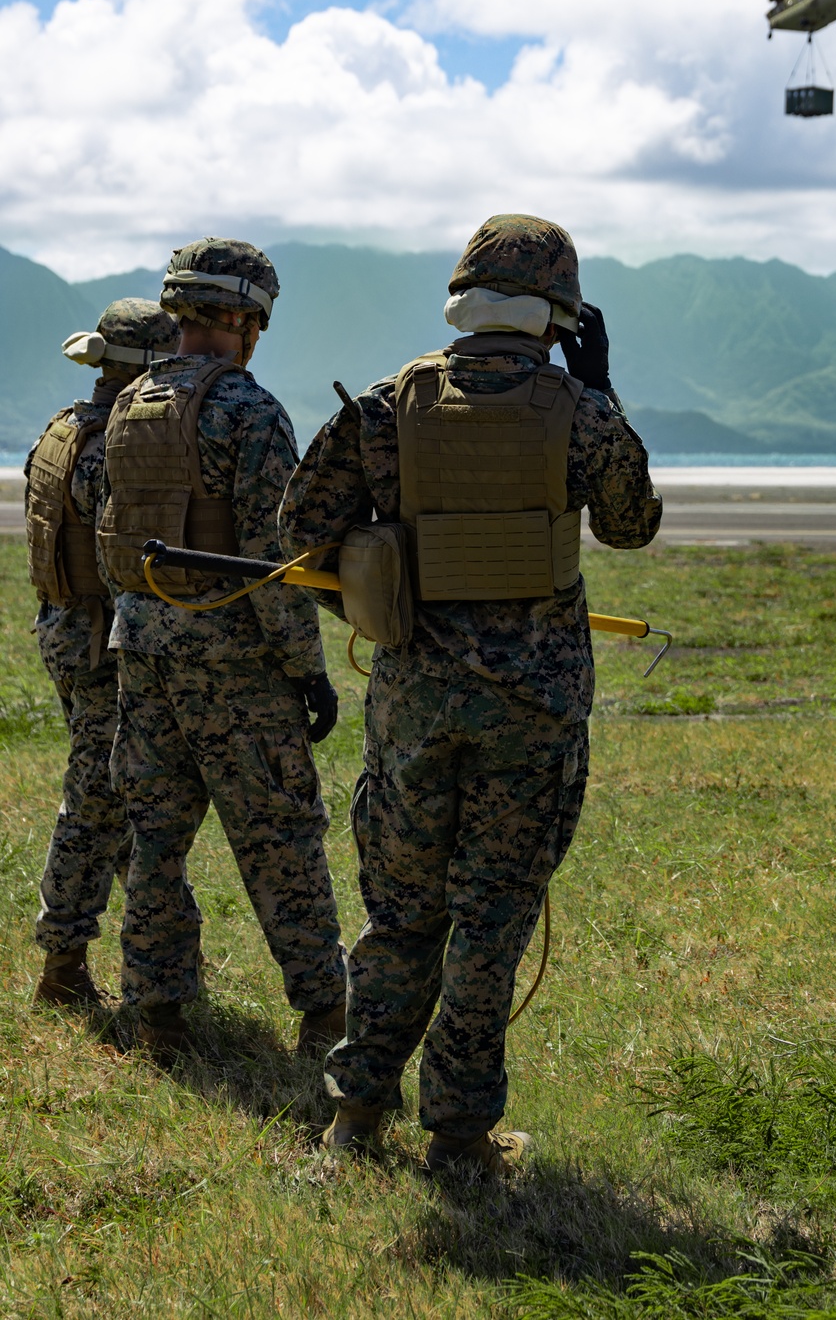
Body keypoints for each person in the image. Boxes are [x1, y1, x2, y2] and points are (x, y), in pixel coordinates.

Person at [279, 213, 663, 1171]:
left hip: (413, 705)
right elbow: (630, 525)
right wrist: (600, 387)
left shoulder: (384, 406)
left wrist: (385, 612)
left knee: (399, 916)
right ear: (561, 311)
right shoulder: (579, 412)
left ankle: (355, 1117)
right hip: (531, 715)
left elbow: (304, 533)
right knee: (490, 925)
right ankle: (459, 1138)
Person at [98, 238, 346, 1058]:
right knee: (280, 842)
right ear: (248, 320)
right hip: (233, 668)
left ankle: (156, 1018)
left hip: (141, 650)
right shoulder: (250, 412)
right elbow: (274, 565)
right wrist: (308, 673)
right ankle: (325, 1018)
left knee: (155, 841)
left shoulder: (130, 403)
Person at [27, 299, 180, 1007]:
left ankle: (174, 940)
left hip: (61, 629)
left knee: (112, 793)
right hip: (98, 643)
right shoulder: (114, 452)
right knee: (93, 803)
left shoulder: (62, 430)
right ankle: (62, 963)